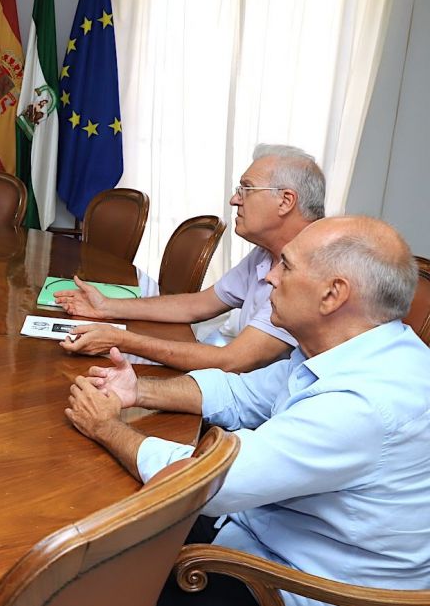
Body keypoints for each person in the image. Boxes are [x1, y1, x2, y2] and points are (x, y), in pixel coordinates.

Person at [65, 216, 430, 605]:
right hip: (258, 532)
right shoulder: (348, 350)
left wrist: (107, 427)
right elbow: (241, 394)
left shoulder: (362, 404)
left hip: (285, 583)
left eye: (286, 265)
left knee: (88, 583)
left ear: (332, 295)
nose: (271, 277)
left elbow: (207, 486)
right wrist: (138, 390)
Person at [56, 144, 324, 373]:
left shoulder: (313, 270)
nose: (234, 200)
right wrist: (107, 307)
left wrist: (122, 340)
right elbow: (198, 305)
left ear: (286, 201)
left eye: (246, 189)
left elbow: (231, 361)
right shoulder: (267, 252)